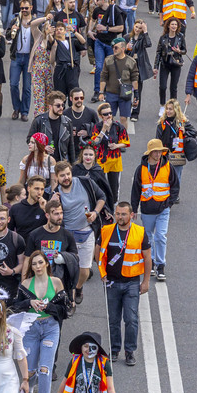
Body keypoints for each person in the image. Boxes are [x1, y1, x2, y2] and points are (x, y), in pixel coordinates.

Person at [13, 249, 69, 393]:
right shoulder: (26, 283)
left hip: (50, 328)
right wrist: (29, 302)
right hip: (31, 328)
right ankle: (30, 382)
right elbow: (15, 306)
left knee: (45, 369)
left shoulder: (56, 282)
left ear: (46, 263)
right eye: (34, 263)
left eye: (40, 262)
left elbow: (64, 309)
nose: (37, 266)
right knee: (29, 368)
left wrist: (48, 307)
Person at [98, 201, 151, 366]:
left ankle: (129, 351)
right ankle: (114, 350)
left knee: (131, 319)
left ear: (131, 215)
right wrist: (102, 272)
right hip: (112, 282)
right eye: (118, 214)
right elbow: (98, 251)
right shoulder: (107, 230)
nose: (120, 217)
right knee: (113, 319)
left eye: (123, 214)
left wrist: (146, 281)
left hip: (132, 283)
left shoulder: (140, 232)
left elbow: (147, 258)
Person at [53, 161, 105, 304]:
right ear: (56, 177)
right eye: (62, 175)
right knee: (66, 268)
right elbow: (49, 213)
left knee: (84, 271)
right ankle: (69, 296)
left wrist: (95, 213)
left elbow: (102, 197)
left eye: (68, 174)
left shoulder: (85, 182)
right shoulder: (55, 192)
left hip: (85, 231)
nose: (66, 178)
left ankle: (78, 287)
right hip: (66, 234)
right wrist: (52, 202)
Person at [130, 138, 179, 282]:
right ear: (149, 153)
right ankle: (150, 262)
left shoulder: (168, 167)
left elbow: (175, 186)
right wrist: (134, 209)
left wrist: (169, 204)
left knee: (161, 236)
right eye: (155, 152)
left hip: (163, 209)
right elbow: (136, 190)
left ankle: (161, 265)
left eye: (160, 151)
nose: (158, 154)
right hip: (147, 209)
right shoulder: (141, 169)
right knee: (148, 237)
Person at [90, 100, 130, 205]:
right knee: (100, 185)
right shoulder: (97, 127)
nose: (109, 116)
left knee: (114, 187)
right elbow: (94, 143)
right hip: (101, 160)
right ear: (100, 116)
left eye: (110, 113)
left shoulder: (118, 126)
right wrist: (103, 129)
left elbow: (126, 142)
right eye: (105, 114)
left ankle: (113, 204)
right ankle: (101, 205)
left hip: (115, 160)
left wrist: (116, 146)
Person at [100, 36, 139, 130]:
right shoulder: (108, 60)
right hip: (111, 93)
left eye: (116, 47)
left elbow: (134, 78)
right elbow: (103, 76)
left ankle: (123, 136)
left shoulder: (131, 62)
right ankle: (109, 135)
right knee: (109, 118)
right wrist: (101, 92)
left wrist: (136, 95)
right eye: (113, 47)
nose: (114, 49)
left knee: (123, 118)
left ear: (123, 48)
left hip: (125, 94)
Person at [27, 90, 76, 163]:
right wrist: (42, 147)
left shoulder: (67, 122)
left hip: (61, 163)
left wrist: (72, 165)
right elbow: (29, 139)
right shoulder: (39, 121)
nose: (61, 108)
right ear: (50, 106)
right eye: (58, 106)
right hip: (43, 162)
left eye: (62, 105)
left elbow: (71, 146)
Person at [7, 0, 36, 120]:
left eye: (26, 8)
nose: (24, 10)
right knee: (13, 84)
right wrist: (12, 30)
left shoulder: (35, 22)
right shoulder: (15, 21)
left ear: (31, 7)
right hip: (17, 56)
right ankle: (16, 108)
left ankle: (24, 112)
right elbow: (7, 36)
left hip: (29, 57)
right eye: (22, 8)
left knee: (27, 87)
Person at [155, 98, 189, 196]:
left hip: (177, 155)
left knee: (176, 176)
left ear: (176, 110)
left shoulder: (182, 122)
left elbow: (194, 133)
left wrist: (185, 131)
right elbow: (158, 139)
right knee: (164, 175)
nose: (168, 111)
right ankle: (165, 193)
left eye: (170, 109)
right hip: (165, 154)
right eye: (167, 109)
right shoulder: (162, 123)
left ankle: (175, 195)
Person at [153, 17, 187, 111]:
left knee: (173, 87)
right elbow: (158, 53)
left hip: (176, 64)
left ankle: (172, 107)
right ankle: (162, 105)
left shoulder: (180, 36)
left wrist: (179, 51)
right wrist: (156, 67)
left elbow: (185, 50)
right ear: (168, 26)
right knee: (163, 86)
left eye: (175, 24)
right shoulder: (163, 38)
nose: (174, 26)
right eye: (172, 24)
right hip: (165, 64)